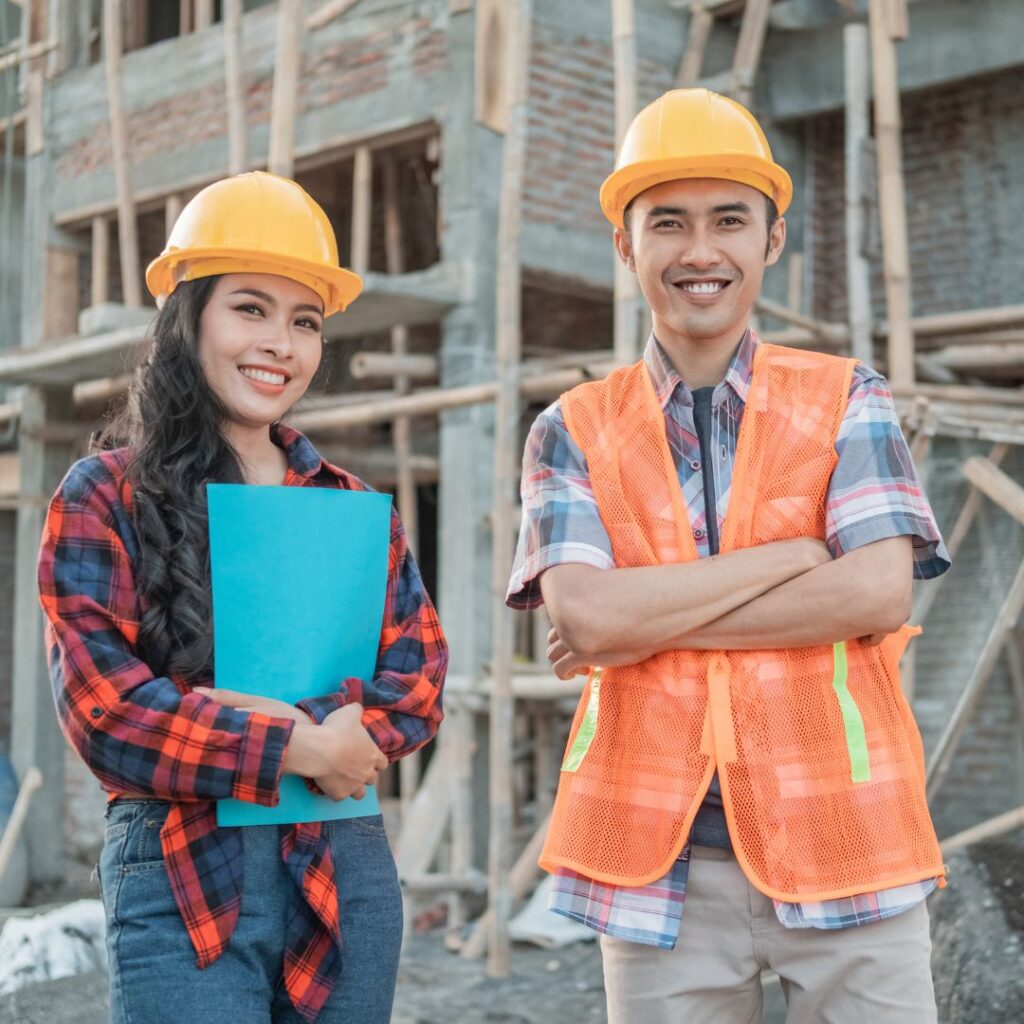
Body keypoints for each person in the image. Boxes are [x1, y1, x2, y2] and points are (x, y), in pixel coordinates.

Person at [507, 89, 949, 1024]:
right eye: (667, 222)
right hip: (655, 865)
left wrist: (643, 621)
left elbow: (876, 591)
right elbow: (588, 618)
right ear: (625, 246)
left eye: (729, 220)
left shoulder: (848, 397)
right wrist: (793, 556)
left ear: (771, 240)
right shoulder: (571, 429)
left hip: (848, 836)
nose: (699, 250)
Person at [38, 171, 447, 1024]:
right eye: (250, 309)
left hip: (341, 863)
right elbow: (106, 712)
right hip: (185, 872)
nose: (280, 344)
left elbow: (418, 679)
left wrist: (285, 729)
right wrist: (303, 745)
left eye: (305, 321)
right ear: (188, 318)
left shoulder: (347, 506)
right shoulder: (104, 495)